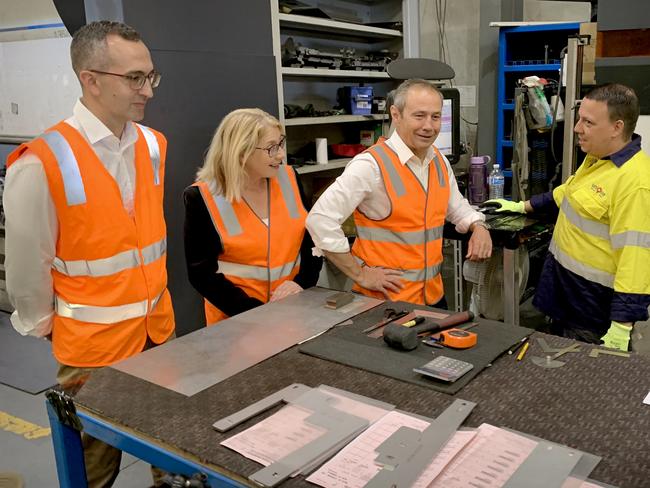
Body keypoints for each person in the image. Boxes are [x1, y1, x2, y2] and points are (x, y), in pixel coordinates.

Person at [3, 21, 175, 487]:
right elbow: (25, 265)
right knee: (95, 465)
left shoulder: (153, 146)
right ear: (91, 79)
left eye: (151, 76)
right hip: (93, 348)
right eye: (134, 78)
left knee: (171, 448)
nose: (148, 91)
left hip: (156, 331)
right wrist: (44, 322)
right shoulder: (41, 160)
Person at [484, 83, 650, 352]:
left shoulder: (636, 183)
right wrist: (522, 207)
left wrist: (622, 323)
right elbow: (570, 193)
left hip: (593, 311)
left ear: (617, 127)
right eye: (579, 118)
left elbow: (636, 261)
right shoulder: (598, 158)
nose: (576, 128)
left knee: (583, 382)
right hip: (566, 294)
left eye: (588, 122)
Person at [306, 79, 492, 306]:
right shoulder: (371, 165)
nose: (429, 126)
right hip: (384, 301)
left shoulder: (438, 161)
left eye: (435, 117)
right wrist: (361, 274)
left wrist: (479, 225)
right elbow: (320, 220)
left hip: (432, 296)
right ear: (396, 114)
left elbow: (457, 207)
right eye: (419, 115)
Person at [183, 108, 322, 325]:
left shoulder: (289, 178)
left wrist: (302, 283)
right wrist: (255, 313)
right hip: (236, 322)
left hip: (293, 311)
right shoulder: (202, 197)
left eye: (281, 144)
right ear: (241, 152)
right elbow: (201, 275)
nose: (281, 154)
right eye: (271, 148)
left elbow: (312, 240)